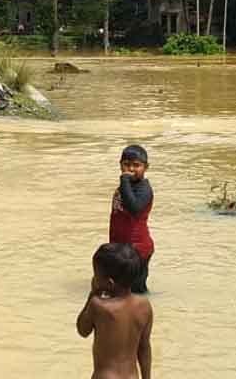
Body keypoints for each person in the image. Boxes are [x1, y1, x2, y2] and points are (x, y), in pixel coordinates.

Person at [76, 243, 153, 379]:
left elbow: (82, 330)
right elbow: (144, 348)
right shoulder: (144, 306)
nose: (94, 278)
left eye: (96, 275)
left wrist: (93, 293)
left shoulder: (99, 305)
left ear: (109, 283)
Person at [109, 145, 154, 294]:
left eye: (136, 165)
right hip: (121, 249)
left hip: (137, 250)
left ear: (146, 167)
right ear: (120, 165)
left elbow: (134, 209)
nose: (131, 169)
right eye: (126, 165)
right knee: (119, 290)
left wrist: (125, 180)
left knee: (136, 292)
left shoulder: (144, 189)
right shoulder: (125, 186)